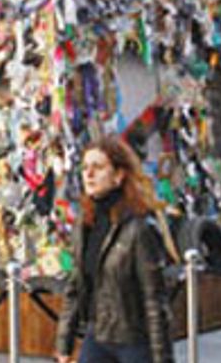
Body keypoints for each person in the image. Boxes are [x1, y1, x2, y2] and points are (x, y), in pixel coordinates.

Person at [55, 137, 174, 363]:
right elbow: (75, 285)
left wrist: (163, 358)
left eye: (98, 167)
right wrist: (64, 344)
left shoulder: (139, 228)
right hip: (96, 334)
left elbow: (155, 300)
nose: (88, 174)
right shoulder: (84, 223)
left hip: (134, 342)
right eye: (85, 168)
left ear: (118, 176)